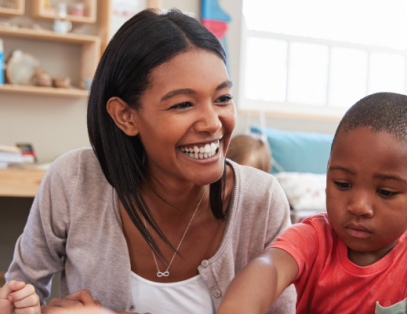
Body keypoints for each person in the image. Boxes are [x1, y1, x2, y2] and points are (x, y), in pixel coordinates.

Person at [5, 9, 295, 314]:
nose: (212, 123)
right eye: (183, 104)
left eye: (222, 98)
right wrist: (22, 305)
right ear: (126, 116)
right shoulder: (73, 179)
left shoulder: (262, 201)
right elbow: (22, 291)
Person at [216, 92, 407, 314]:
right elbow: (269, 267)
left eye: (385, 192)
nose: (359, 206)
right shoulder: (315, 237)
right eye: (343, 184)